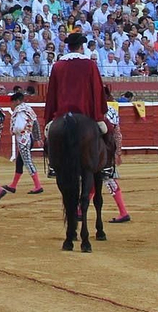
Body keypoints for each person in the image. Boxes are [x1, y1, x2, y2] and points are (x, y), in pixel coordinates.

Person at [42, 30, 109, 175]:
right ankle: (107, 166)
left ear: (69, 47)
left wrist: (50, 118)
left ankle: (53, 165)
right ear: (81, 46)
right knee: (108, 132)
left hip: (62, 114)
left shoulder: (58, 66)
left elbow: (52, 93)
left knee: (50, 138)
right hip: (86, 113)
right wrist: (99, 113)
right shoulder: (90, 65)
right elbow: (97, 90)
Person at [101, 86, 131, 224]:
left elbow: (117, 134)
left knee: (107, 179)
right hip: (107, 151)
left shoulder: (94, 111)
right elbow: (118, 134)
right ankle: (78, 210)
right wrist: (118, 152)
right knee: (98, 180)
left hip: (102, 152)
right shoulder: (112, 110)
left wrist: (118, 153)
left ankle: (124, 212)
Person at [5, 89, 43, 195]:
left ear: (17, 101)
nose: (11, 105)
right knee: (20, 161)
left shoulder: (19, 110)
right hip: (28, 137)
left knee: (27, 161)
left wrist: (14, 131)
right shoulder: (28, 108)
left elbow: (19, 127)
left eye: (12, 102)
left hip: (23, 139)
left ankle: (38, 186)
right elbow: (35, 123)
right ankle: (13, 186)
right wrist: (38, 138)